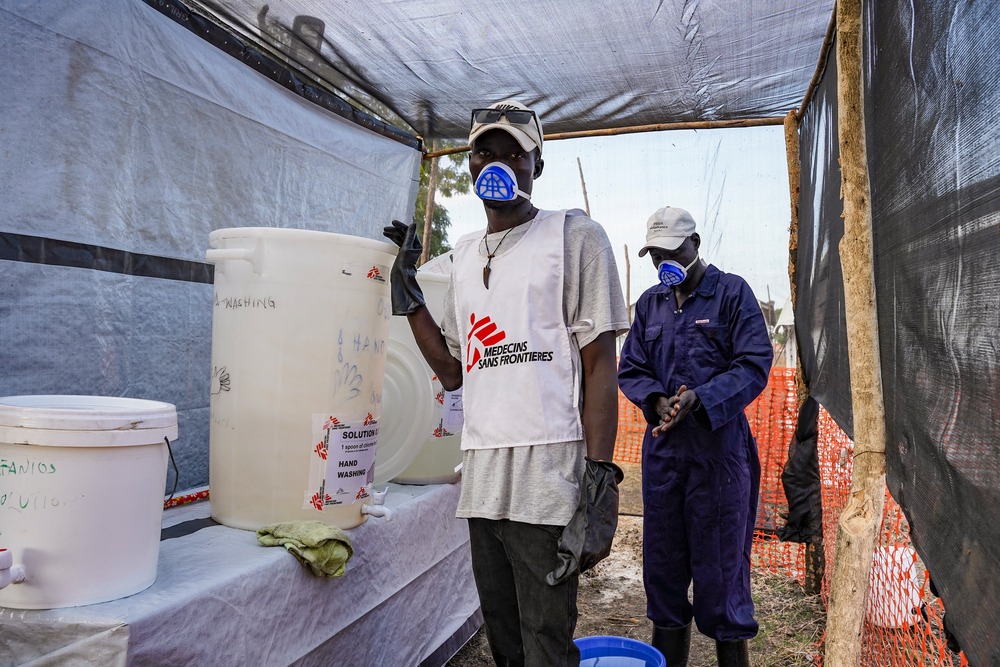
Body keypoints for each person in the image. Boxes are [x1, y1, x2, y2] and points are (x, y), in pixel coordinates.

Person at [383, 99, 629, 666]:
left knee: (546, 635)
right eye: (484, 152)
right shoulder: (462, 256)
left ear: (536, 165)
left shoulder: (574, 237)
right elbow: (451, 372)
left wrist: (599, 479)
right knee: (503, 633)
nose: (496, 162)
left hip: (548, 468)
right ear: (470, 166)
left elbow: (599, 366)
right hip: (484, 469)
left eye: (513, 153)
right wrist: (411, 299)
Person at [617, 206, 773, 667]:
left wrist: (700, 399)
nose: (662, 262)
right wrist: (656, 400)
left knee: (723, 572)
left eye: (671, 251)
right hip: (665, 457)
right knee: (663, 567)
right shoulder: (650, 304)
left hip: (719, 457)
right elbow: (633, 368)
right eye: (654, 254)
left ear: (695, 244)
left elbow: (753, 363)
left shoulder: (731, 294)